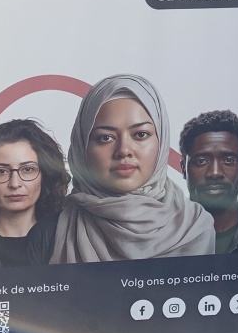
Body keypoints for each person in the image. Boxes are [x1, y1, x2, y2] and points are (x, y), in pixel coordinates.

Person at [50, 74, 215, 263]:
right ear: (82, 146)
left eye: (140, 134)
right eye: (105, 137)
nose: (123, 151)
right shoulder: (51, 232)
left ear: (161, 142)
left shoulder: (196, 226)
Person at [0, 118, 69, 271]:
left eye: (28, 169)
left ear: (45, 175)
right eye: (1, 171)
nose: (15, 183)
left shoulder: (68, 238)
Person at [178, 110, 238, 254]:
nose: (214, 173)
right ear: (183, 169)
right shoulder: (155, 231)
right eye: (201, 161)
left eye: (228, 160)